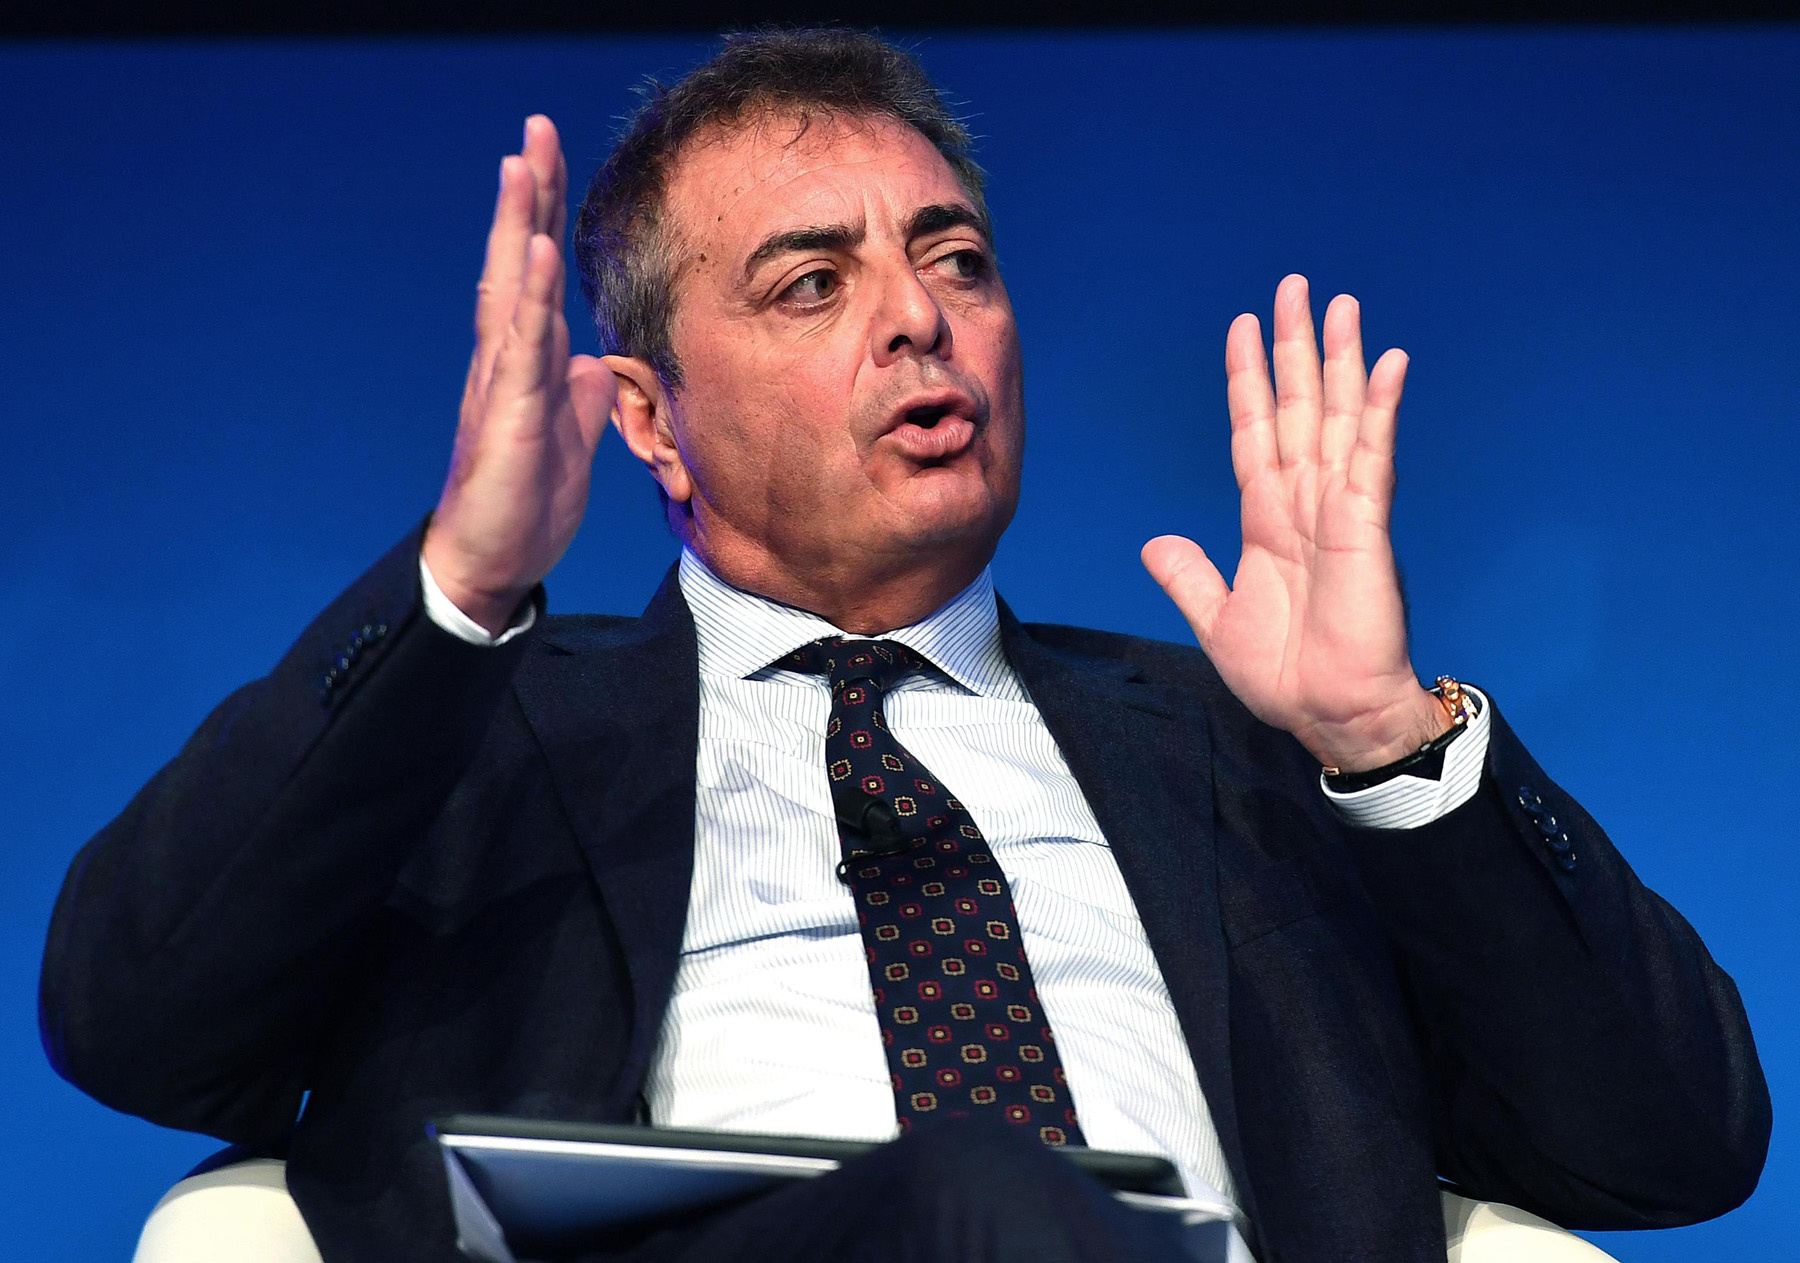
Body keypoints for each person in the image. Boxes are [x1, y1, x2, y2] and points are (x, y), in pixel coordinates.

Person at [40, 29, 1767, 1263]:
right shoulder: (476, 730)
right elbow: (136, 1024)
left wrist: (1385, 736)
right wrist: (458, 589)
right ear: (648, 419)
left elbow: (1672, 1152)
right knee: (986, 1193)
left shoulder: (1233, 741)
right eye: (811, 284)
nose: (919, 317)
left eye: (957, 260)